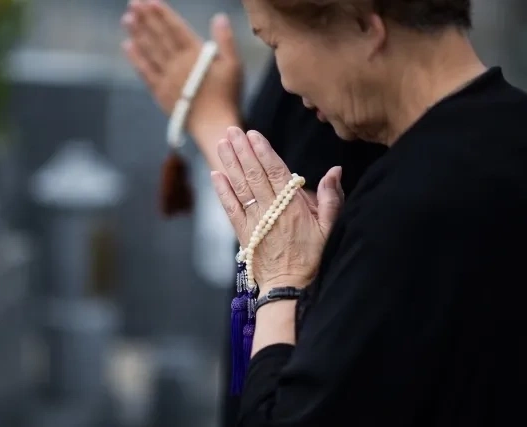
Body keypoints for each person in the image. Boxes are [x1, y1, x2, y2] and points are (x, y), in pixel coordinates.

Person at [209, 0, 527, 425]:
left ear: (363, 26)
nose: (284, 82)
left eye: (275, 41)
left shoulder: (407, 212)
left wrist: (283, 284)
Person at [120, 1, 386, 426]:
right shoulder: (317, 89)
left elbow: (290, 226)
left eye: (274, 40)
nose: (286, 76)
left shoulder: (345, 120)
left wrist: (212, 121)